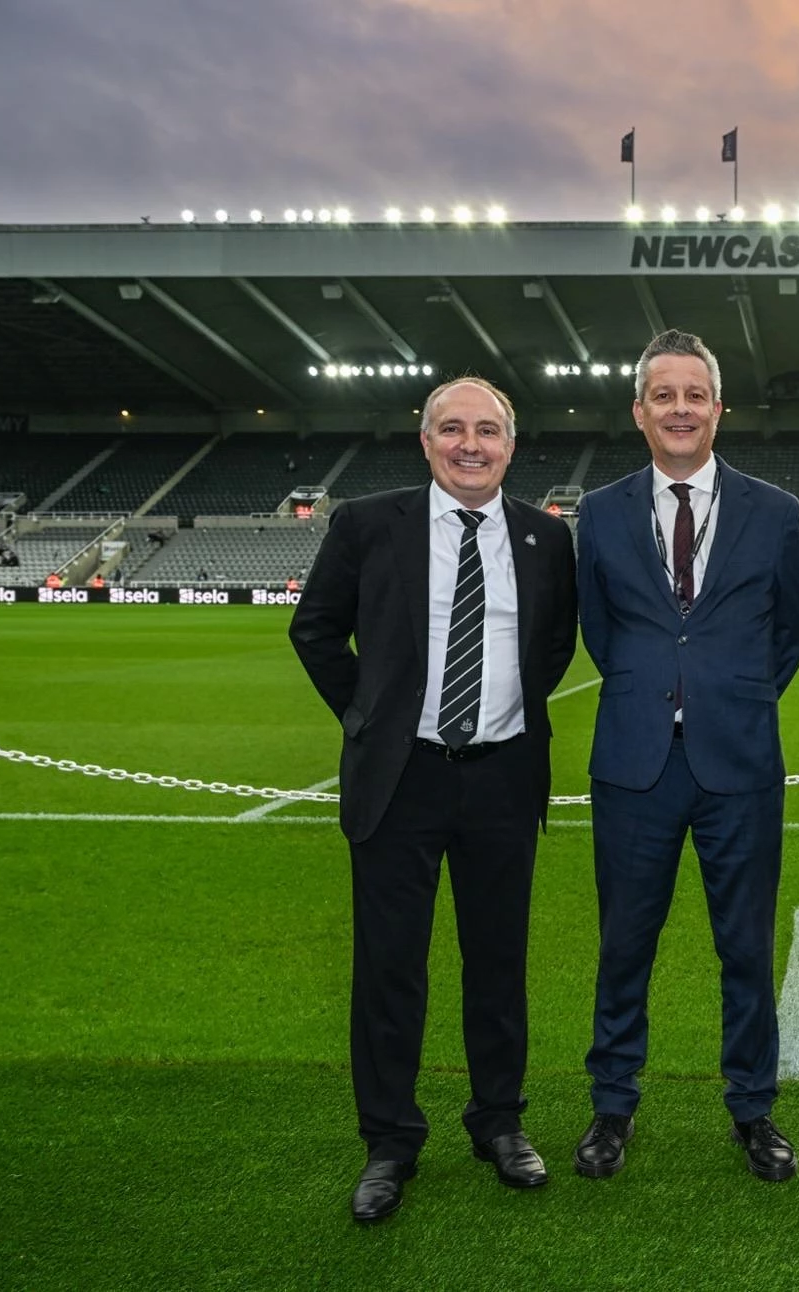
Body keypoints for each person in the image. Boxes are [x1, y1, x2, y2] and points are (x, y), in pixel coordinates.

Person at [289, 376, 577, 1224]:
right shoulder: (369, 523)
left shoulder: (543, 538)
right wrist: (368, 714)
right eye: (452, 429)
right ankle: (389, 1141)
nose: (470, 444)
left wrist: (505, 716)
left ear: (511, 446)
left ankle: (499, 1123)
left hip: (500, 777)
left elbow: (553, 645)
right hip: (401, 778)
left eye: (487, 430)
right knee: (390, 970)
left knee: (499, 963)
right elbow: (315, 629)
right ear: (425, 441)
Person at [572, 329, 799, 1183]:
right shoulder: (597, 513)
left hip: (739, 761)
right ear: (639, 411)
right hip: (634, 762)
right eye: (663, 396)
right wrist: (655, 691)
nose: (681, 409)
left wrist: (730, 695)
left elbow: (792, 630)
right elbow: (602, 631)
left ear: (719, 409)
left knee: (744, 945)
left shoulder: (775, 510)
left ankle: (752, 1108)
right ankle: (612, 1105)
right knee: (624, 943)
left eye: (695, 395)